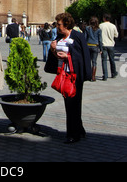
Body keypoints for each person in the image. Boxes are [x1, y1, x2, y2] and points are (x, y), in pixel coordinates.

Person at [45, 12, 92, 144]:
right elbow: (55, 55)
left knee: (73, 104)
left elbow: (83, 55)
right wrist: (53, 49)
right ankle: (79, 129)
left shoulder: (78, 36)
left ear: (66, 24)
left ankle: (73, 134)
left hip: (75, 75)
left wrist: (68, 57)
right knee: (70, 104)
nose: (57, 26)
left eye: (59, 24)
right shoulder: (59, 37)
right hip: (63, 74)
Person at [99, 13, 119, 81]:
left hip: (103, 44)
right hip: (111, 45)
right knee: (112, 60)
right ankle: (113, 73)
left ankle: (105, 75)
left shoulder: (100, 26)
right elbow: (116, 35)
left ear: (104, 18)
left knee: (104, 60)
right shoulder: (113, 26)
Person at [84, 16, 102, 82]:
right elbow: (100, 40)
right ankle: (93, 76)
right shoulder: (99, 29)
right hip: (95, 46)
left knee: (88, 61)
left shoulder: (87, 28)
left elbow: (85, 38)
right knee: (94, 62)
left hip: (88, 46)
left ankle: (87, 75)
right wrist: (101, 49)